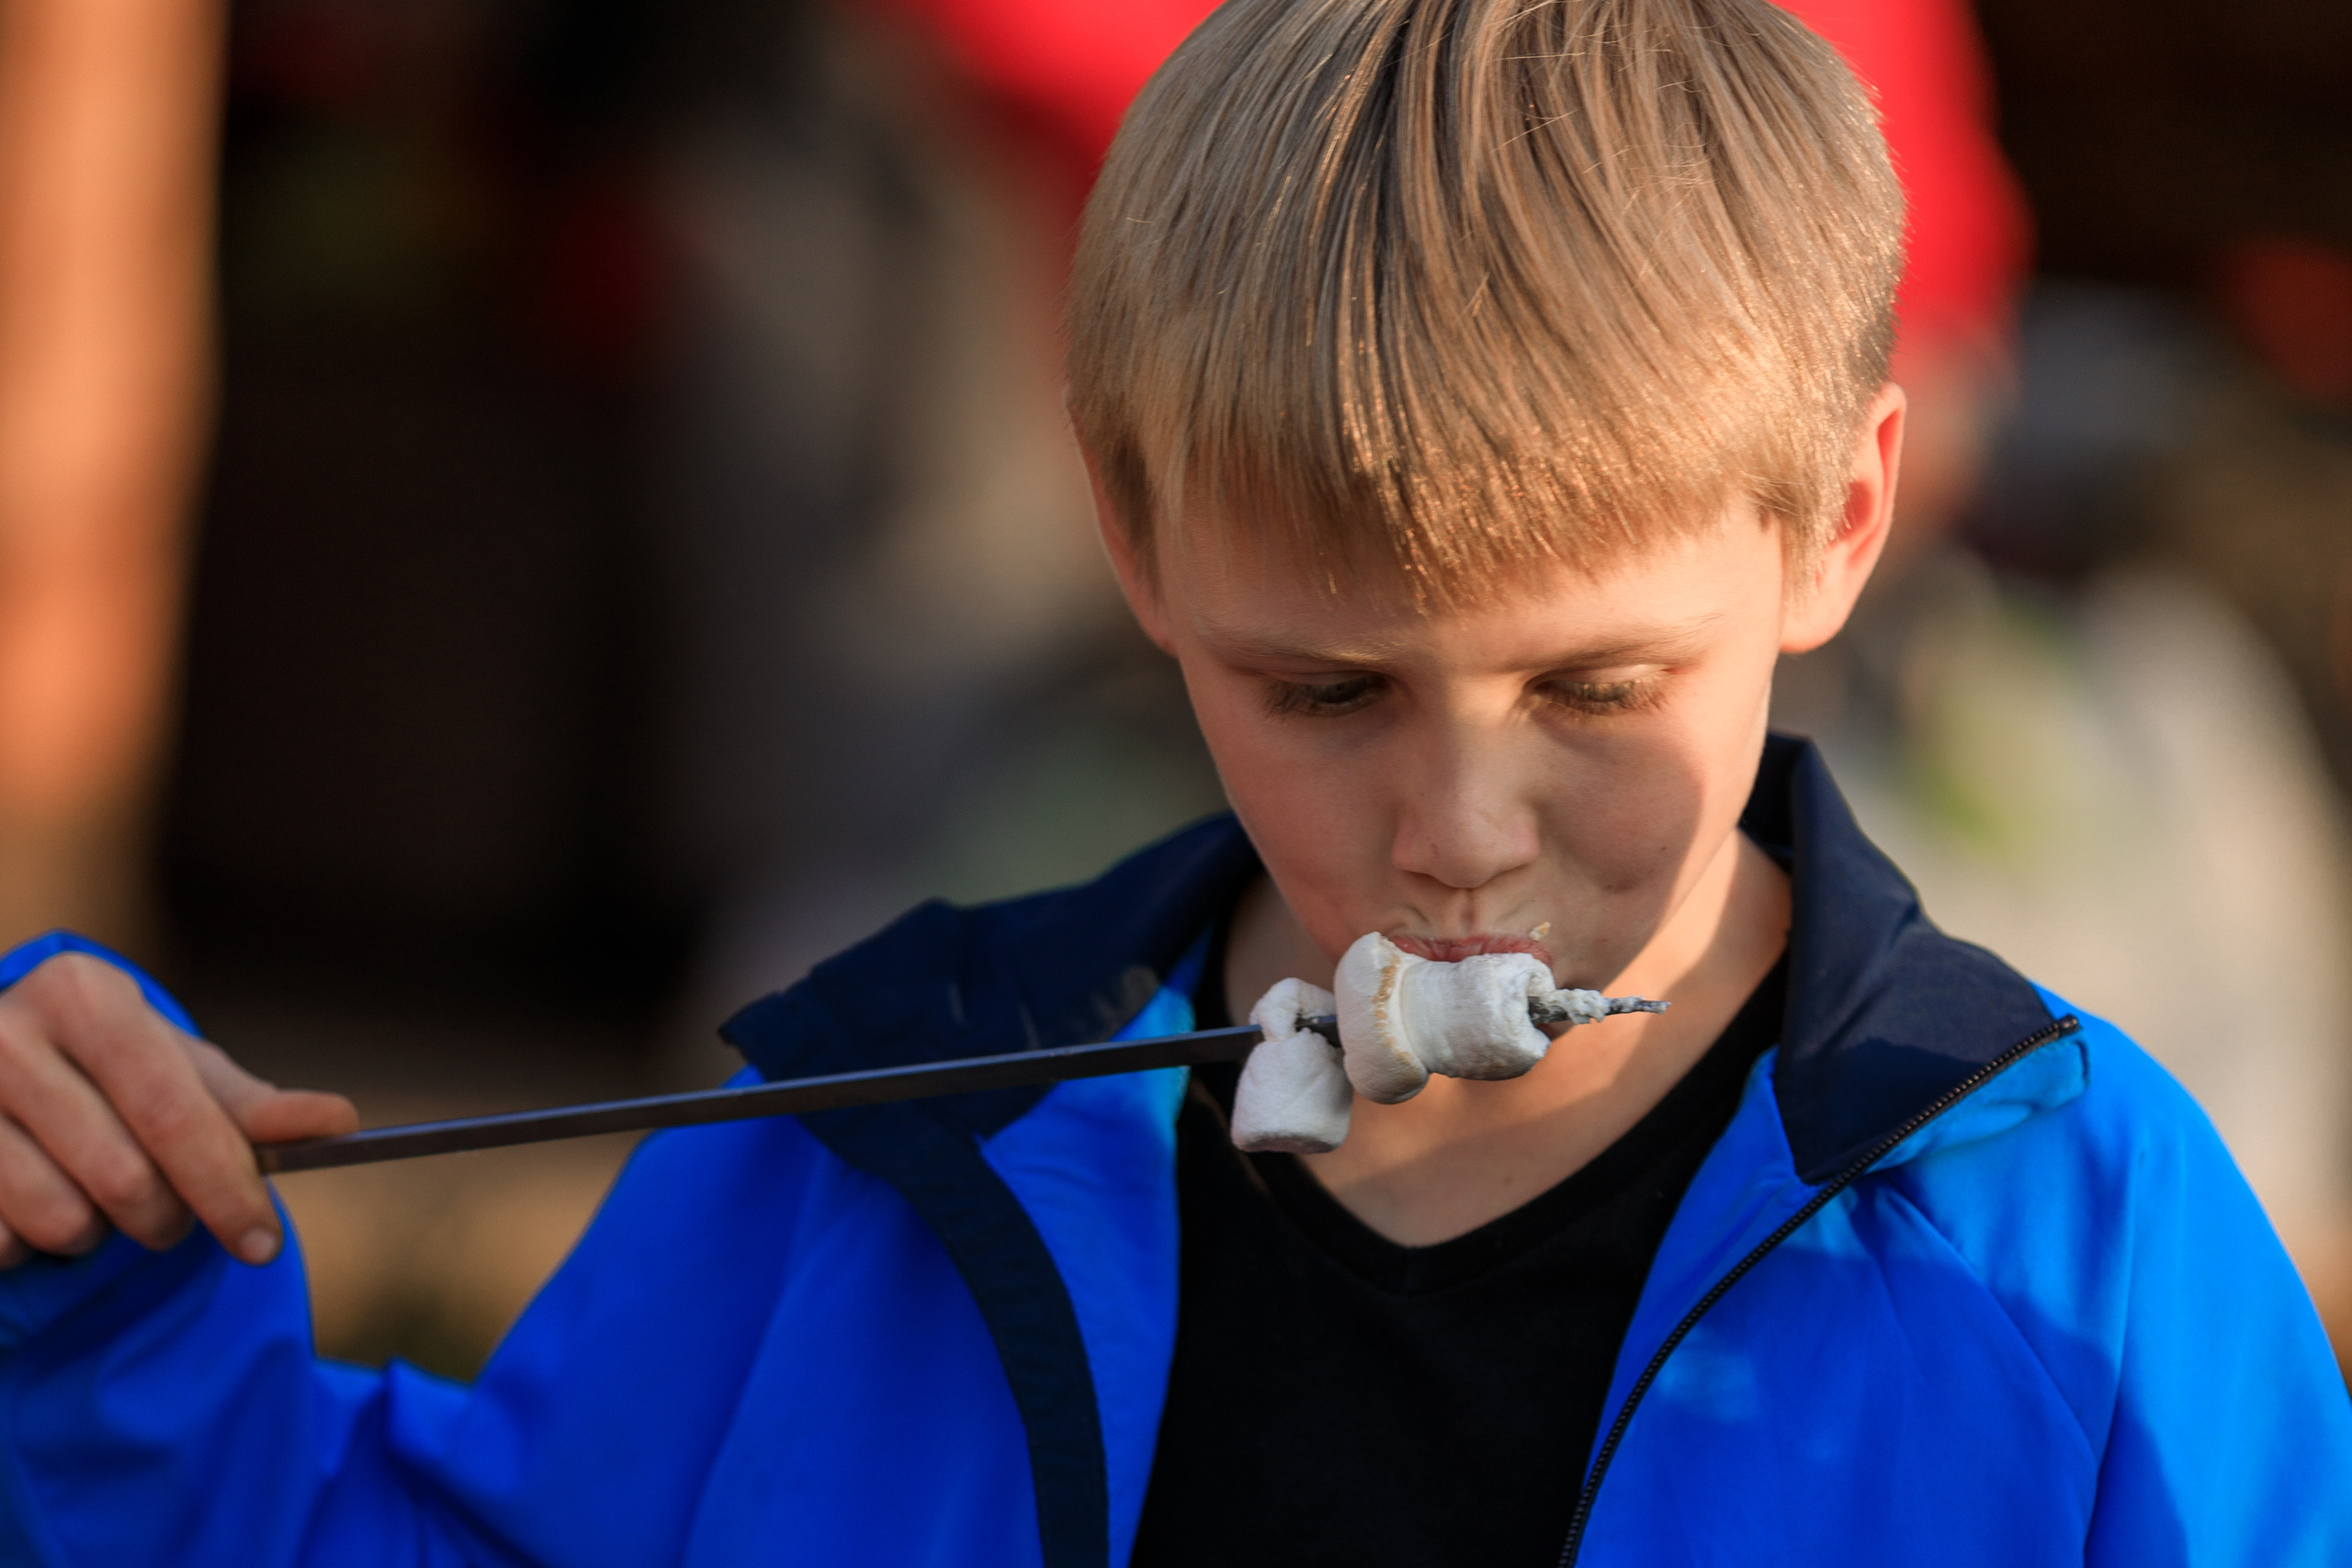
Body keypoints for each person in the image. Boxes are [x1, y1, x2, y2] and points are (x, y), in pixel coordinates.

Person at [0, 2, 2345, 1565]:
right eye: (1323, 691)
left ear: (1840, 521)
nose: (1455, 829)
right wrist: (85, 1305)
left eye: (1597, 681)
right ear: (1125, 535)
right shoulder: (879, 1146)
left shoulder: (2081, 1251)